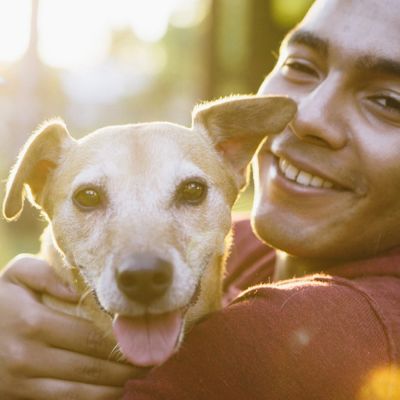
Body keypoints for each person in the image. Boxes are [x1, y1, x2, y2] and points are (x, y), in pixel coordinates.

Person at [1, 0, 400, 398]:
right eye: (301, 66)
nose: (309, 117)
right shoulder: (251, 246)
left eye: (388, 101)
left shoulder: (288, 338)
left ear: (234, 152)